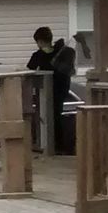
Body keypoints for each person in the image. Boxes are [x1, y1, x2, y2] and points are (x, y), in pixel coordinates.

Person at [27, 26, 77, 155]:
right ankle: (56, 145)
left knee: (51, 116)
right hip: (57, 89)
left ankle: (54, 145)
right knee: (54, 116)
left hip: (53, 89)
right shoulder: (58, 52)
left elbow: (30, 69)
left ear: (40, 41)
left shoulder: (42, 55)